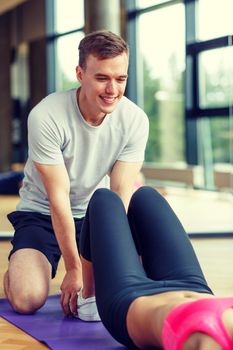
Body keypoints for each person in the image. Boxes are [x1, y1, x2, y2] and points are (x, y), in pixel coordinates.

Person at [3, 30, 149, 319]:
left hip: (94, 218)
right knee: (27, 298)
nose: (112, 90)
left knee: (140, 280)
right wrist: (75, 268)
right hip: (41, 213)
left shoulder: (134, 120)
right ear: (80, 73)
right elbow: (58, 199)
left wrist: (111, 257)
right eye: (102, 78)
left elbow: (120, 196)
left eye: (120, 79)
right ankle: (23, 266)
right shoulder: (47, 115)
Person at [78, 186, 233, 350]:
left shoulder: (207, 343)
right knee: (146, 196)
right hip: (192, 285)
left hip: (129, 299)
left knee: (104, 200)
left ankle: (89, 296)